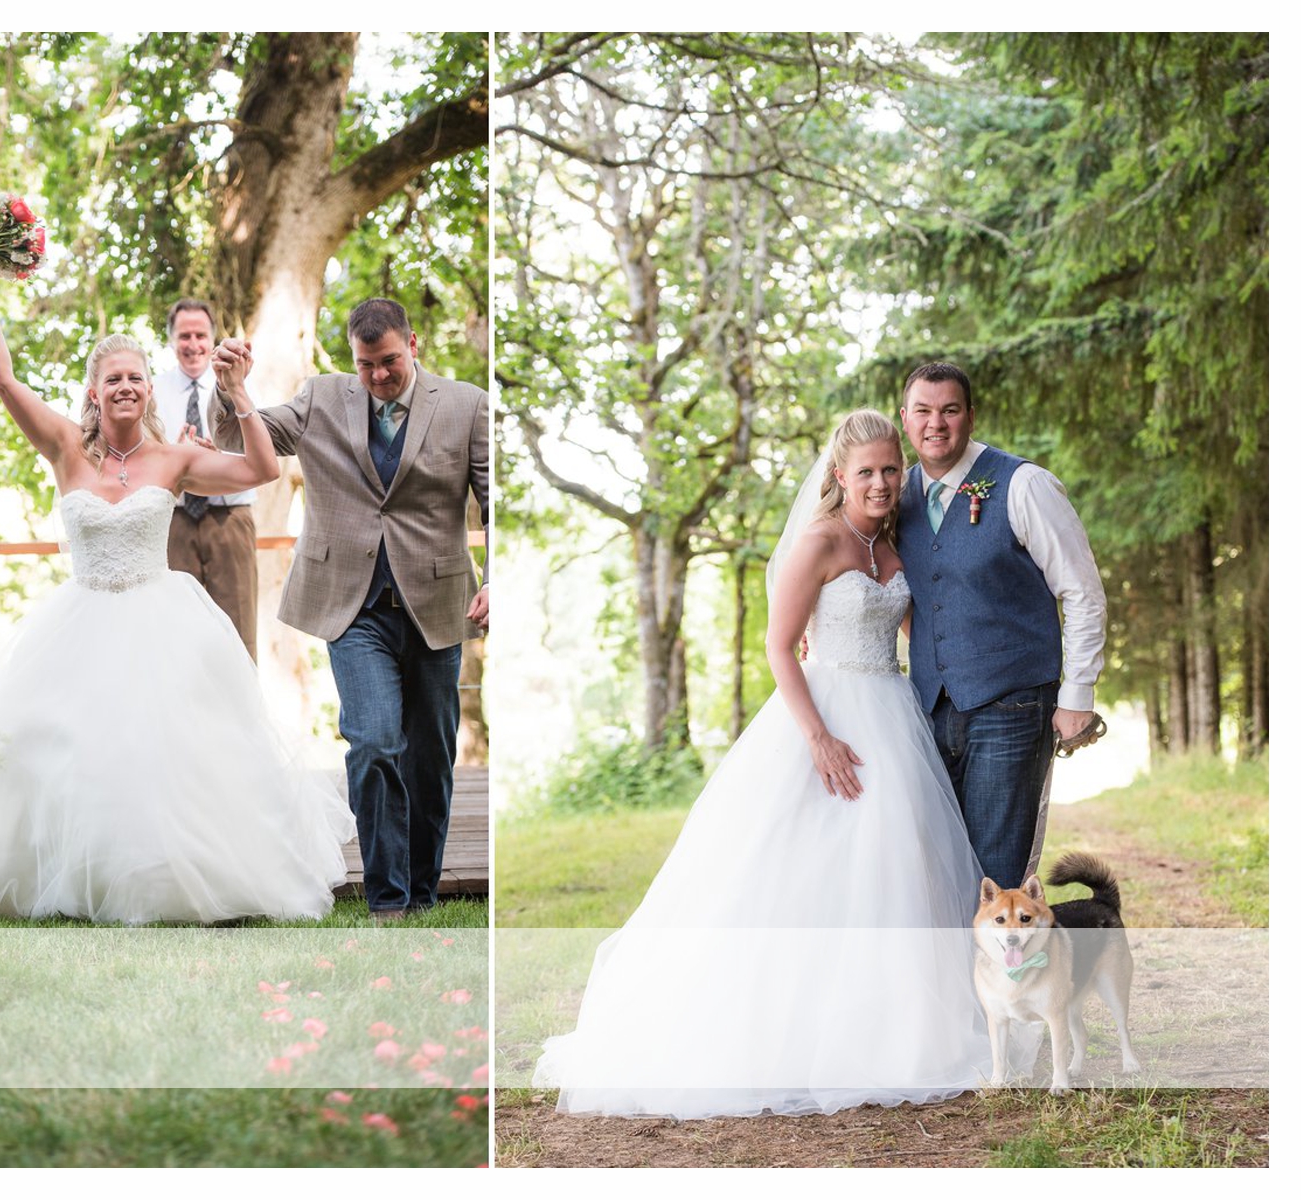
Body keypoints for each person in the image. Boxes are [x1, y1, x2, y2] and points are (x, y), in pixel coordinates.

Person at [532, 409, 989, 1119]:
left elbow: (916, 623)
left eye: (889, 469)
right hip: (826, 715)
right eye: (865, 471)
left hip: (892, 715)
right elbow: (779, 646)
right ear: (838, 476)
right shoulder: (821, 541)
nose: (879, 482)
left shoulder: (897, 544)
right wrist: (818, 739)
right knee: (793, 874)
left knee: (895, 868)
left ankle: (892, 1030)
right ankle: (785, 1035)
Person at [0, 244, 351, 923]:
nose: (127, 387)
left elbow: (261, 471)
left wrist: (238, 393)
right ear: (93, 393)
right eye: (113, 379)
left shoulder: (175, 460)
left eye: (136, 376)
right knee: (69, 748)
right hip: (80, 622)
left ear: (147, 385)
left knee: (167, 750)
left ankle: (172, 877)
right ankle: (82, 880)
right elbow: (1, 378)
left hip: (159, 618)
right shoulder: (64, 449)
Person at [213, 299, 490, 919]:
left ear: (413, 344)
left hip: (439, 604)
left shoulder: (467, 405)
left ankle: (422, 891)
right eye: (366, 366)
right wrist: (229, 387)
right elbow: (237, 437)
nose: (378, 378)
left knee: (430, 755)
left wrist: (495, 579)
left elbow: (493, 502)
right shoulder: (322, 399)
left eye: (389, 362)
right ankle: (388, 900)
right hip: (352, 606)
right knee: (373, 740)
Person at [894, 362, 1106, 888]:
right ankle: (950, 975)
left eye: (949, 410)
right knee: (934, 869)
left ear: (970, 415)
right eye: (922, 411)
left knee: (997, 872)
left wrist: (1077, 694)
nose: (935, 423)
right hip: (928, 710)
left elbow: (1082, 591)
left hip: (1013, 705)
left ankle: (1006, 973)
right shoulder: (897, 497)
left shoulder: (1024, 485)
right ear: (904, 418)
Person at [150, 298, 260, 659]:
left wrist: (223, 457)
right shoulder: (150, 391)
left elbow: (263, 450)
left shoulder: (242, 384)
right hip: (173, 522)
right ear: (171, 340)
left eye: (200, 335)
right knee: (176, 631)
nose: (193, 344)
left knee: (237, 631)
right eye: (184, 336)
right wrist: (177, 457)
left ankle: (239, 714)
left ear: (212, 339)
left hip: (230, 519)